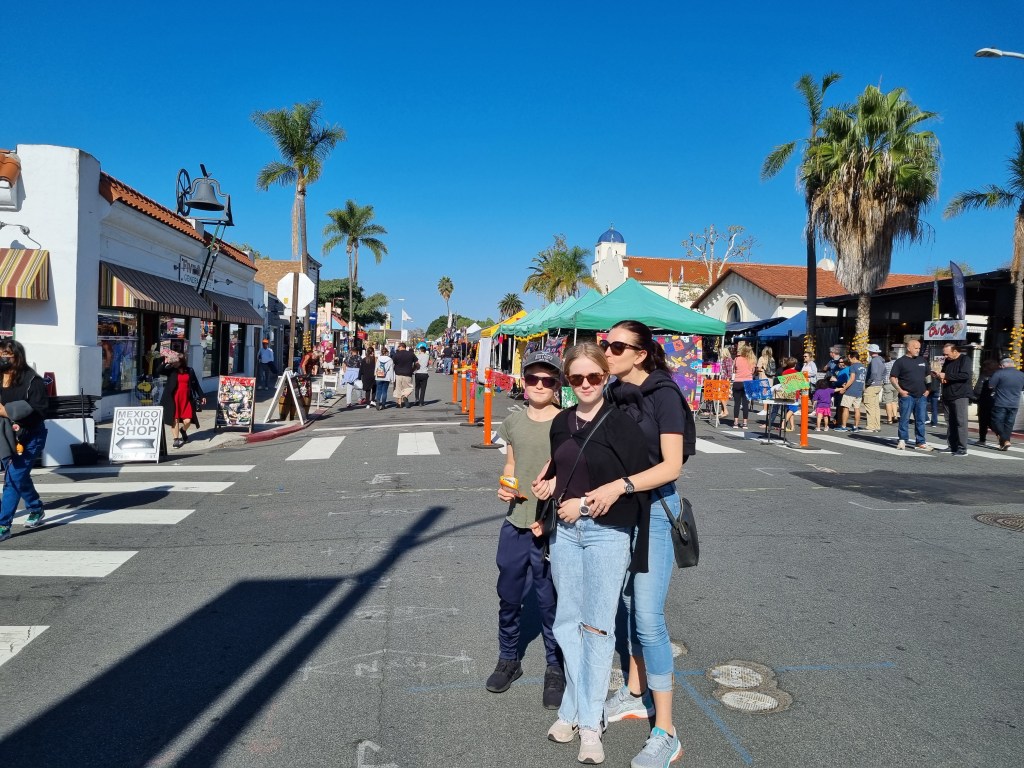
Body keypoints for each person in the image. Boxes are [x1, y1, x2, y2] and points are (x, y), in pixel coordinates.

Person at [537, 342, 652, 765]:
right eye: (576, 377)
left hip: (607, 533)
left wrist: (584, 505)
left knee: (597, 629)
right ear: (567, 381)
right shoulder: (561, 422)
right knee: (567, 623)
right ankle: (574, 709)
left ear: (606, 376)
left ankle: (588, 722)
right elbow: (562, 469)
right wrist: (549, 487)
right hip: (565, 533)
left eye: (594, 376)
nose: (585, 384)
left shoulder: (622, 424)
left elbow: (637, 486)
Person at [587, 320, 688, 768]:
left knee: (647, 617)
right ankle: (633, 692)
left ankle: (666, 732)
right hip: (621, 508)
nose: (606, 352)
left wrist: (620, 486)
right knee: (626, 604)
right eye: (604, 344)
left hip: (656, 510)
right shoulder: (614, 393)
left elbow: (671, 466)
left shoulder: (664, 394)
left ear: (641, 354)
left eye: (615, 346)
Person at [488, 351, 564, 709]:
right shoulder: (513, 421)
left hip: (550, 526)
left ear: (557, 385)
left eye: (548, 380)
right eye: (533, 378)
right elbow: (512, 462)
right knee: (509, 595)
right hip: (516, 521)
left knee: (549, 601)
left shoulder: (566, 422)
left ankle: (555, 667)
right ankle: (508, 659)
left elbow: (574, 470)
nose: (539, 385)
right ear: (524, 381)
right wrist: (506, 486)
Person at [0, 340, 49, 541]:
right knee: (19, 476)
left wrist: (7, 411)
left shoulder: (32, 381)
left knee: (12, 480)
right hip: (5, 436)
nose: (2, 358)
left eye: (6, 354)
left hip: (29, 437)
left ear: (17, 356)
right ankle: (36, 508)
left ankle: (3, 525)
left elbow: (40, 411)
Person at [889, 339, 933, 451]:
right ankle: (902, 440)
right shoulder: (900, 362)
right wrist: (900, 391)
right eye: (916, 348)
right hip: (907, 396)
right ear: (909, 348)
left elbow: (927, 375)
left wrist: (929, 389)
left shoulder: (922, 360)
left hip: (921, 396)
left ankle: (920, 442)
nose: (918, 350)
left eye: (919, 348)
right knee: (904, 419)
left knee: (920, 420)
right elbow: (893, 377)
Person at [157, 350, 206, 449]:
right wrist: (165, 362)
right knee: (174, 419)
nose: (174, 363)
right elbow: (159, 371)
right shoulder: (171, 370)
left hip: (186, 399)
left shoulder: (189, 370)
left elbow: (195, 384)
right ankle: (176, 439)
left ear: (181, 362)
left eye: (176, 361)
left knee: (188, 420)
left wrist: (202, 396)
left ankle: (183, 430)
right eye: (173, 361)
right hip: (173, 398)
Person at [936, 342, 972, 456]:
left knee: (960, 422)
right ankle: (952, 446)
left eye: (947, 354)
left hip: (960, 394)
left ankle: (962, 448)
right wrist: (939, 376)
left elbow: (965, 375)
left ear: (955, 351)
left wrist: (946, 376)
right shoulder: (948, 361)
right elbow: (944, 373)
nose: (945, 356)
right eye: (944, 354)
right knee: (950, 422)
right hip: (947, 394)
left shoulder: (964, 359)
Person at [989, 357, 1024, 450]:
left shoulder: (999, 373)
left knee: (996, 422)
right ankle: (1004, 443)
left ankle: (1005, 440)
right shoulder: (1021, 374)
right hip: (1014, 403)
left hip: (1000, 402)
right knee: (1009, 424)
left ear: (1003, 365)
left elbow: (990, 385)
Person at [835, 351, 866, 432]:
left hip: (851, 390)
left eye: (849, 358)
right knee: (857, 409)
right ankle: (856, 427)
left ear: (854, 358)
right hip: (859, 390)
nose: (849, 360)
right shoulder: (863, 367)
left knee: (845, 408)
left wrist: (844, 388)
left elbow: (852, 379)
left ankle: (843, 426)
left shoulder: (853, 366)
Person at [973, 359, 1000, 446]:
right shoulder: (998, 375)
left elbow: (978, 389)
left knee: (983, 421)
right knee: (992, 420)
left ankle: (982, 439)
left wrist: (974, 396)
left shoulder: (984, 375)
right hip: (995, 400)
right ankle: (1000, 435)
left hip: (984, 400)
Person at [731, 342, 756, 430]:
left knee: (737, 403)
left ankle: (735, 422)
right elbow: (753, 372)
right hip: (748, 382)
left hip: (737, 381)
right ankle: (745, 423)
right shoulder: (752, 360)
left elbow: (734, 370)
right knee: (745, 403)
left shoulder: (737, 359)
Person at [863, 344, 887, 432]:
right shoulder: (881, 360)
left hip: (872, 385)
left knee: (869, 405)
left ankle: (871, 426)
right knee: (876, 406)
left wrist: (868, 382)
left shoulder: (874, 360)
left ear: (871, 351)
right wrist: (880, 380)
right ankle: (876, 425)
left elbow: (873, 373)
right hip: (878, 384)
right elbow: (885, 372)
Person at [391, 342, 418, 408]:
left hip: (398, 374)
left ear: (401, 347)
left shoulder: (396, 354)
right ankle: (405, 396)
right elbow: (417, 363)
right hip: (408, 373)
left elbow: (392, 364)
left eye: (398, 347)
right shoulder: (411, 354)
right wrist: (413, 369)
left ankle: (399, 403)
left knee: (398, 388)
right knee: (408, 387)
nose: (398, 348)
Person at [373, 346, 395, 410]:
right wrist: (392, 379)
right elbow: (391, 370)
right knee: (384, 391)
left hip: (379, 376)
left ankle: (377, 402)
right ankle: (383, 404)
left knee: (378, 390)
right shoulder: (390, 360)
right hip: (386, 377)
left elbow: (376, 367)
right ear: (386, 353)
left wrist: (375, 374)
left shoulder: (378, 359)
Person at [881, 353, 899, 425]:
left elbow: (882, 374)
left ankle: (889, 419)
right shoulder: (898, 364)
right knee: (894, 401)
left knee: (888, 402)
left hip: (888, 384)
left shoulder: (885, 365)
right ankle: (895, 416)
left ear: (890, 357)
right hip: (896, 385)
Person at [717, 345, 734, 418]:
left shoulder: (728, 359)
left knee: (722, 395)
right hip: (721, 379)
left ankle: (725, 410)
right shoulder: (722, 359)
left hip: (725, 379)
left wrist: (728, 379)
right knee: (723, 396)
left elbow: (729, 371)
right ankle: (723, 411)